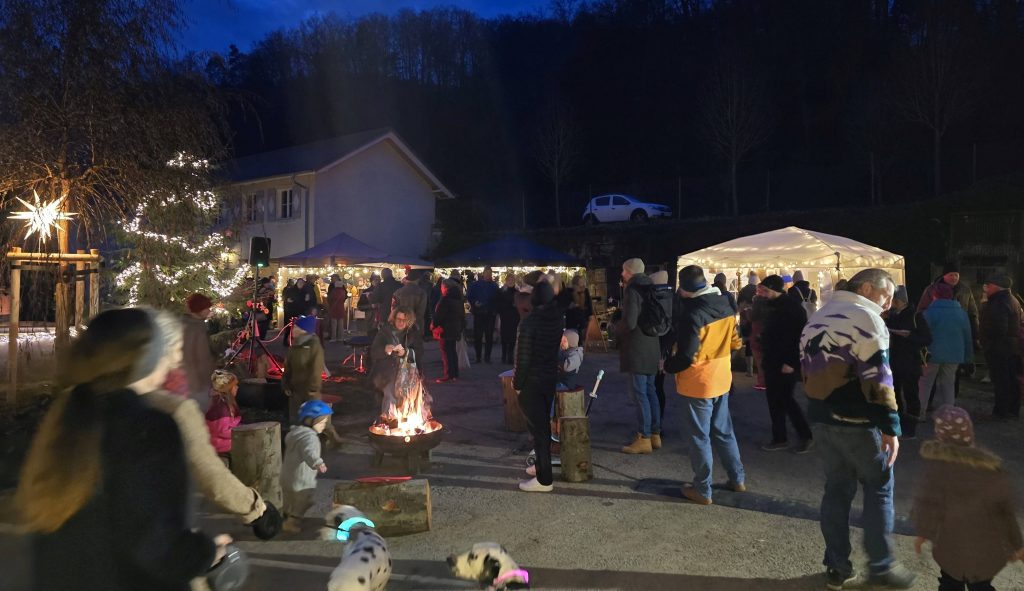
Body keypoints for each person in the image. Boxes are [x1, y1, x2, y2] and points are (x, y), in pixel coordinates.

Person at [16, 308, 233, 590]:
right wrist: (205, 553)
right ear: (145, 358)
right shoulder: (147, 427)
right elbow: (154, 541)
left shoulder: (66, 419)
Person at [800, 268, 916, 590]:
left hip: (821, 418)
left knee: (837, 490)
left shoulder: (818, 316)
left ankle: (837, 567)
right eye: (886, 295)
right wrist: (891, 427)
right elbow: (878, 378)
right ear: (866, 288)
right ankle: (881, 566)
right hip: (858, 421)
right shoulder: (867, 318)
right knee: (878, 487)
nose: (889, 304)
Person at [912, 405, 1024, 591]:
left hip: (951, 547)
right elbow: (1005, 513)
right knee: (981, 586)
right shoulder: (991, 471)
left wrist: (923, 532)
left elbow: (928, 506)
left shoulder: (938, 472)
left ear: (940, 436)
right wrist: (1017, 545)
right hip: (986, 550)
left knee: (949, 583)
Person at [665, 265, 745, 505]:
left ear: (685, 289)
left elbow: (687, 356)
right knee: (724, 431)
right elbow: (736, 343)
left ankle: (702, 490)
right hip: (722, 378)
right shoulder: (726, 304)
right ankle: (737, 479)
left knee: (699, 437)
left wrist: (668, 366)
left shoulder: (693, 314)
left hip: (698, 383)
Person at [514, 281, 564, 492]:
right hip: (548, 378)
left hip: (532, 381)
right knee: (542, 426)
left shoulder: (529, 323)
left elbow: (523, 358)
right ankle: (541, 467)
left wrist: (517, 384)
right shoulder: (557, 319)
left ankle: (544, 480)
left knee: (539, 431)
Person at [756, 275, 813, 453]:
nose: (763, 294)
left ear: (775, 290)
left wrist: (791, 362)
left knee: (786, 399)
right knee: (774, 400)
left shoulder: (792, 308)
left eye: (766, 290)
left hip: (785, 361)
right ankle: (780, 437)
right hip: (772, 359)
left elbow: (798, 337)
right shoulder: (772, 306)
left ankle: (805, 435)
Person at [617, 258, 663, 454]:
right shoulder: (651, 286)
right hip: (652, 344)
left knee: (640, 393)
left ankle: (644, 437)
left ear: (629, 271)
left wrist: (616, 328)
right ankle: (655, 434)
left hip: (638, 347)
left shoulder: (633, 289)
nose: (622, 274)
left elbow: (630, 321)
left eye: (623, 270)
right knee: (651, 391)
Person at [885, 286, 931, 439]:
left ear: (897, 300)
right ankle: (897, 425)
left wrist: (909, 335)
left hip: (910, 361)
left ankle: (910, 429)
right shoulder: (891, 315)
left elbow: (927, 338)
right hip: (894, 361)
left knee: (911, 394)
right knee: (894, 394)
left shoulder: (915, 316)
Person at [281, 400, 332, 533]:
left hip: (287, 476)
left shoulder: (295, 434)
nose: (324, 425)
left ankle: (285, 517)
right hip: (301, 480)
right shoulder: (310, 438)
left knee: (289, 500)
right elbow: (309, 451)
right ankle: (291, 523)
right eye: (321, 422)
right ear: (310, 421)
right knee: (304, 501)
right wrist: (318, 463)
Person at [920, 282, 973, 411]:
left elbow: (922, 335)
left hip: (931, 355)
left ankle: (920, 413)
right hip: (954, 355)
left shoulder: (928, 313)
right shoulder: (962, 313)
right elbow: (967, 337)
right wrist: (968, 357)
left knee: (925, 384)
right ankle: (949, 413)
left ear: (934, 295)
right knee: (949, 384)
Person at [979, 273, 1022, 420]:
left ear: (996, 287)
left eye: (988, 286)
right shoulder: (1012, 300)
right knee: (1010, 379)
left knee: (1001, 380)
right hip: (1011, 346)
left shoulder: (998, 302)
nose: (986, 289)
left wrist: (988, 342)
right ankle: (1012, 409)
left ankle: (1001, 410)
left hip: (999, 348)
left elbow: (998, 328)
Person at [371, 306, 416, 410]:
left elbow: (418, 352)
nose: (401, 322)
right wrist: (385, 349)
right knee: (390, 390)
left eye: (404, 320)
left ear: (409, 321)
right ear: (394, 319)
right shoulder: (385, 332)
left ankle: (405, 414)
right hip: (387, 370)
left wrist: (405, 353)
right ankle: (389, 415)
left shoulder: (412, 333)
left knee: (408, 394)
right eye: (398, 319)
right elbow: (373, 352)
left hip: (407, 370)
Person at [284, 315, 325, 423]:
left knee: (310, 421)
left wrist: (313, 388)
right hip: (295, 390)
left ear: (304, 330)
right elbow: (288, 367)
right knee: (295, 420)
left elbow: (316, 368)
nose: (293, 330)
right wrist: (286, 384)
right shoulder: (294, 346)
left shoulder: (314, 346)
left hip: (308, 392)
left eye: (296, 328)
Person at [182, 292, 216, 412]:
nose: (209, 311)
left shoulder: (183, 323)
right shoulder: (197, 328)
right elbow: (202, 358)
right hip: (197, 384)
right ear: (200, 308)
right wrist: (210, 383)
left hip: (183, 383)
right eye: (207, 308)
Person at [652, 270, 677, 420]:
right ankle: (658, 422)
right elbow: (674, 329)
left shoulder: (656, 299)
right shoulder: (673, 299)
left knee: (653, 388)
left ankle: (655, 423)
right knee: (658, 386)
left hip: (655, 348)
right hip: (664, 349)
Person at [432, 279, 466, 383]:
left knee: (446, 352)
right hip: (455, 328)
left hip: (445, 329)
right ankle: (454, 373)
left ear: (445, 287)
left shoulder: (445, 300)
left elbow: (439, 315)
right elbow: (462, 316)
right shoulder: (458, 299)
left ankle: (448, 374)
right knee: (452, 351)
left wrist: (434, 325)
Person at [392, 270, 428, 368]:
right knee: (417, 352)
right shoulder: (421, 293)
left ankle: (401, 374)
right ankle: (417, 373)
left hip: (400, 326)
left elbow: (393, 310)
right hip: (416, 326)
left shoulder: (398, 292)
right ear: (418, 279)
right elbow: (421, 312)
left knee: (401, 350)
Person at [205, 369, 242, 464]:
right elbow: (222, 431)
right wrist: (240, 433)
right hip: (221, 447)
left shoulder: (224, 403)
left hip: (223, 444)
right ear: (228, 389)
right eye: (234, 386)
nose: (237, 388)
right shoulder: (221, 408)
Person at [467, 266, 499, 364]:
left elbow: (497, 299)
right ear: (483, 273)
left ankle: (487, 357)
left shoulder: (494, 286)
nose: (488, 275)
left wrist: (494, 310)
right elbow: (469, 295)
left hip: (489, 314)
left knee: (489, 336)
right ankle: (478, 356)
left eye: (490, 274)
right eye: (487, 273)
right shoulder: (475, 285)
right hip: (479, 313)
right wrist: (474, 302)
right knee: (478, 336)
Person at [738, 271, 759, 377]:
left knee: (747, 345)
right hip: (756, 320)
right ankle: (758, 368)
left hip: (745, 320)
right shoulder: (759, 290)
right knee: (757, 344)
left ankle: (749, 370)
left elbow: (738, 305)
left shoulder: (743, 291)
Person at [497, 273, 521, 364]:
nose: (510, 281)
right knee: (504, 337)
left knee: (512, 338)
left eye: (512, 280)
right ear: (506, 281)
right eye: (509, 280)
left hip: (514, 317)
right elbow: (498, 303)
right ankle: (504, 355)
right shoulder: (501, 291)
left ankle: (510, 355)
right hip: (505, 317)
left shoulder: (517, 291)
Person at [327, 275, 348, 341]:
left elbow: (329, 298)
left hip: (334, 308)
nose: (331, 279)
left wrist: (330, 303)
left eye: (332, 278)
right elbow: (345, 296)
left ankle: (333, 337)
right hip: (341, 307)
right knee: (340, 323)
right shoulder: (343, 291)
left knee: (333, 323)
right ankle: (340, 337)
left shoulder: (333, 291)